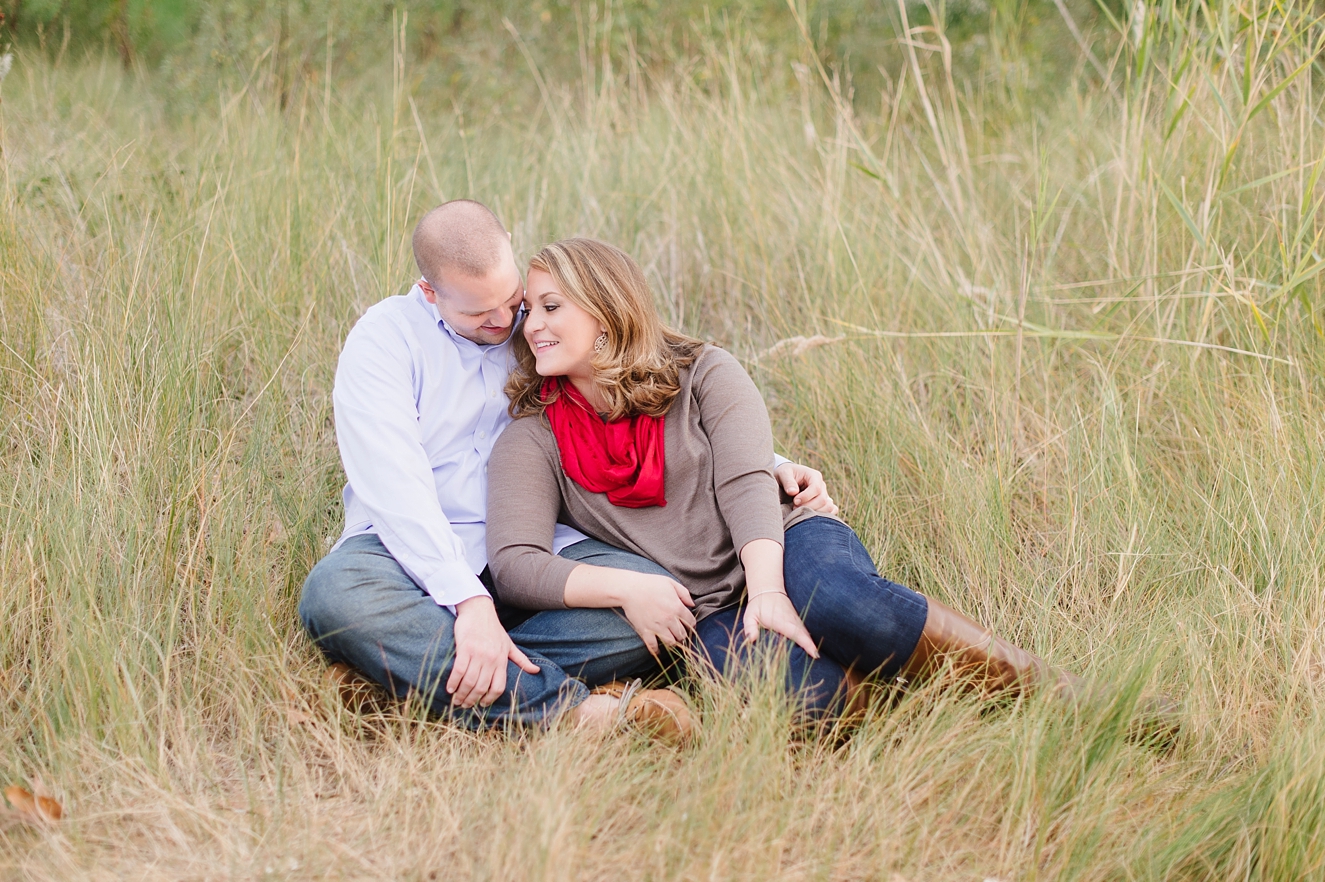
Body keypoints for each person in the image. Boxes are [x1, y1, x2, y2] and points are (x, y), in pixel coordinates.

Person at [487, 237, 1102, 723]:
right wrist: (623, 588)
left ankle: (1055, 693)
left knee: (841, 601)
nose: (532, 325)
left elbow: (746, 481)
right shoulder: (533, 435)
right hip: (705, 608)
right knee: (814, 704)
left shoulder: (702, 372)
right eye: (529, 311)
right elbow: (515, 561)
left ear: (606, 308)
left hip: (784, 544)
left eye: (551, 306)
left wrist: (770, 593)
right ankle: (916, 699)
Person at [298, 201, 835, 734]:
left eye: (513, 302)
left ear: (512, 246)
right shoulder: (385, 340)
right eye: (480, 314)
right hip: (404, 552)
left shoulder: (542, 325)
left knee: (661, 593)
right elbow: (395, 487)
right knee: (336, 596)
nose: (506, 322)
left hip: (540, 546)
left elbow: (640, 390)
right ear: (429, 292)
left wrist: (770, 463)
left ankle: (399, 676)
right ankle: (580, 712)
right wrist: (468, 602)